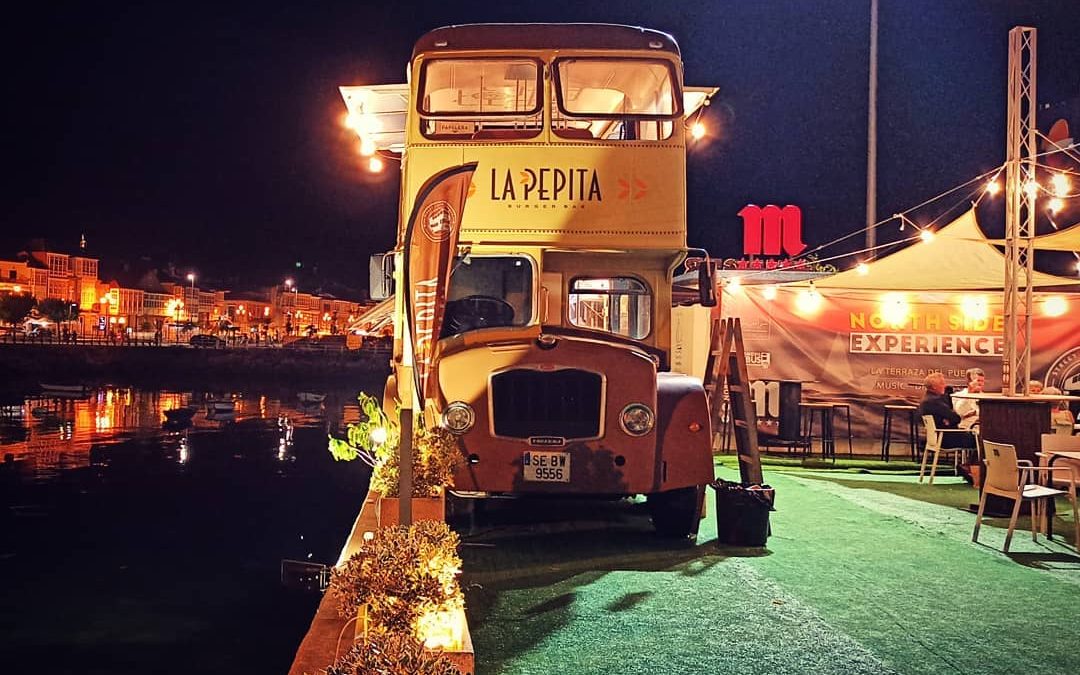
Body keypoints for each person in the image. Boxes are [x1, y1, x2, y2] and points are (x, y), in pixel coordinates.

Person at [918, 371, 976, 449]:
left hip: (937, 436)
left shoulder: (926, 399)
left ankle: (971, 460)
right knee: (978, 439)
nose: (945, 386)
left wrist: (950, 420)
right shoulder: (935, 401)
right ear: (934, 387)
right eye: (942, 383)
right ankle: (976, 461)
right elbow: (955, 418)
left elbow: (951, 417)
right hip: (945, 438)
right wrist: (951, 420)